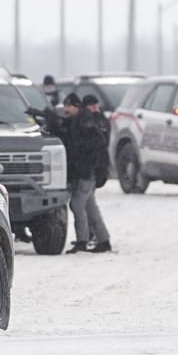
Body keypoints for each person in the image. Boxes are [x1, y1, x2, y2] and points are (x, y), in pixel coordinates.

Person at [64, 92, 113, 254]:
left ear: (77, 107)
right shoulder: (79, 121)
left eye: (69, 106)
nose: (66, 109)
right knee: (90, 207)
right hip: (85, 172)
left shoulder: (85, 122)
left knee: (77, 204)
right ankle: (103, 240)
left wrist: (92, 167)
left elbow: (94, 146)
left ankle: (82, 241)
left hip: (86, 172)